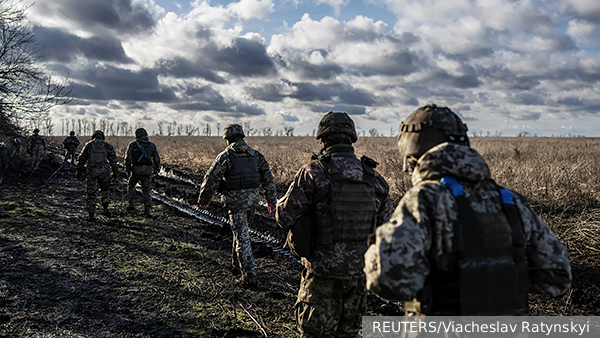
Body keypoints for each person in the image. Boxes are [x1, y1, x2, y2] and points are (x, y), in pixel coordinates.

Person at [364, 104, 572, 316]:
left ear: (412, 155)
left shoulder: (424, 200)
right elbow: (556, 278)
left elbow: (388, 280)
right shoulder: (510, 201)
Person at [276, 112, 393, 338]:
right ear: (351, 139)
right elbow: (386, 231)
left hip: (321, 275)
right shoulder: (374, 178)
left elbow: (284, 218)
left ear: (323, 140)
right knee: (348, 333)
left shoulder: (313, 172)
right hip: (358, 277)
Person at [197, 123, 277, 288]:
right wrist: (271, 200)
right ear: (242, 137)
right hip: (252, 202)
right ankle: (235, 267)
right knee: (241, 233)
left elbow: (211, 179)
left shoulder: (225, 157)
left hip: (234, 203)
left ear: (227, 139)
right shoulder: (256, 155)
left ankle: (249, 277)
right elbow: (268, 178)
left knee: (242, 238)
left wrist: (204, 200)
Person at [76, 130, 119, 222]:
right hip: (105, 172)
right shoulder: (107, 146)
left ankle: (91, 214)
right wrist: (115, 173)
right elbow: (113, 161)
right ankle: (105, 208)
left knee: (91, 192)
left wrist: (79, 170)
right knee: (105, 190)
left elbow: (81, 158)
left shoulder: (89, 145)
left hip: (92, 172)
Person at [124, 128, 160, 217]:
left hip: (135, 170)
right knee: (146, 190)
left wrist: (127, 170)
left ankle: (131, 204)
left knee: (131, 186)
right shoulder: (151, 145)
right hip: (147, 171)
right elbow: (157, 159)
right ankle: (147, 210)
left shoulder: (133, 145)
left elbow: (127, 158)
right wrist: (156, 170)